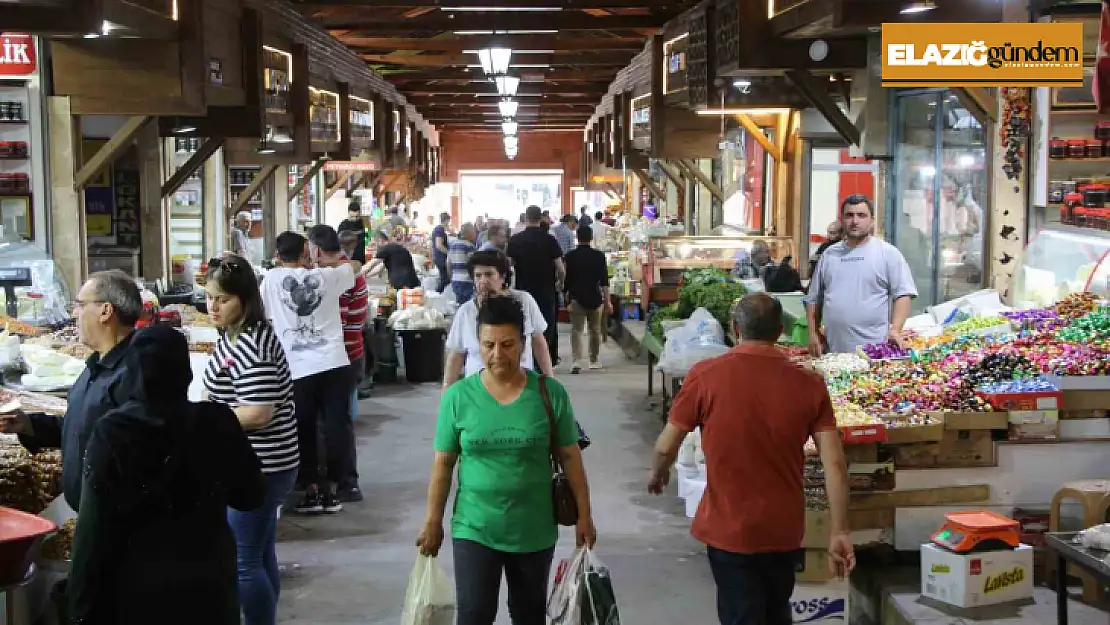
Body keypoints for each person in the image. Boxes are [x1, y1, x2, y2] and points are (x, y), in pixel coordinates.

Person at [649, 294, 854, 625]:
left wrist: (659, 474)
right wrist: (840, 530)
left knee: (740, 613)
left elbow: (665, 446)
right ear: (781, 331)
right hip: (784, 530)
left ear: (734, 329)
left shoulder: (706, 375)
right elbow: (834, 463)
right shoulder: (810, 383)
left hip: (729, 530)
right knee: (776, 611)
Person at [68, 324, 265, 625]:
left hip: (137, 592)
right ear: (184, 373)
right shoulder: (217, 421)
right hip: (208, 588)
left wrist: (80, 609)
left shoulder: (115, 432)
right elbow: (252, 496)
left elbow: (93, 531)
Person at [417, 295, 596, 625]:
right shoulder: (458, 397)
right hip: (474, 527)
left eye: (507, 344)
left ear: (524, 344)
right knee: (473, 615)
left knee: (528, 615)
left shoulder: (549, 394)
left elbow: (571, 459)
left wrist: (585, 516)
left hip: (533, 529)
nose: (497, 355)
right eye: (488, 345)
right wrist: (432, 521)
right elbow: (443, 464)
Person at [201, 254, 300, 625]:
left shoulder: (253, 346)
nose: (212, 306)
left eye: (221, 299)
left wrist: (206, 421)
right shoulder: (234, 336)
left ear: (245, 300)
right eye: (209, 297)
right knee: (260, 554)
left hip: (261, 466)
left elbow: (259, 411)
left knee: (243, 563)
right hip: (254, 464)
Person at [0, 270, 144, 511]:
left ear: (105, 311)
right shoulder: (95, 366)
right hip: (92, 512)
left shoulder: (134, 373)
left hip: (117, 519)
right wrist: (28, 425)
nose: (74, 313)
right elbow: (79, 428)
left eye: (80, 304)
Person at [260, 232, 356, 514]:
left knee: (303, 427)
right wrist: (321, 263)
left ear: (278, 256)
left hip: (297, 368)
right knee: (337, 426)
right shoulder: (327, 276)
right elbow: (354, 267)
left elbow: (263, 314)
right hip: (335, 363)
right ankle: (341, 485)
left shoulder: (270, 280)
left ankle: (311, 486)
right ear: (307, 252)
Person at [805, 194, 918, 356]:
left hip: (874, 352)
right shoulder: (829, 255)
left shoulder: (888, 254)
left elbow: (903, 294)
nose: (855, 221)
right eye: (849, 215)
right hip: (834, 351)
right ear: (841, 220)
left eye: (861, 215)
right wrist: (813, 333)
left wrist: (896, 329)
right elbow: (814, 298)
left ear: (872, 220)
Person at [308, 225, 367, 502]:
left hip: (336, 357)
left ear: (317, 250)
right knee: (340, 420)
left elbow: (338, 321)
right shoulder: (350, 271)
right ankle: (343, 481)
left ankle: (337, 482)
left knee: (328, 423)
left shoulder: (334, 277)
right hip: (352, 352)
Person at [444, 250, 554, 386]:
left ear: (502, 277)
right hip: (478, 392)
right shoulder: (466, 312)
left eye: (489, 274)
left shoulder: (524, 302)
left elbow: (539, 343)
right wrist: (446, 391)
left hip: (520, 385)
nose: (483, 281)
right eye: (478, 276)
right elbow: (456, 355)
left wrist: (550, 380)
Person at [507, 205, 566, 367]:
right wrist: (560, 282)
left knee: (524, 325)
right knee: (546, 327)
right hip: (546, 292)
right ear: (541, 219)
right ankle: (545, 362)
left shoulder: (515, 240)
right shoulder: (549, 240)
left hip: (522, 290)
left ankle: (525, 360)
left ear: (525, 218)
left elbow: (508, 267)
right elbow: (560, 268)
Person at [563, 226, 611, 373]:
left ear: (577, 237)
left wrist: (566, 297)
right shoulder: (599, 256)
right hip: (595, 298)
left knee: (576, 330)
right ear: (591, 238)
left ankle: (576, 360)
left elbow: (566, 279)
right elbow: (604, 281)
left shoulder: (570, 256)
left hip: (576, 298)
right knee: (595, 330)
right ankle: (594, 360)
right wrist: (607, 301)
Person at [449, 222, 478, 305]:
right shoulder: (470, 246)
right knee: (467, 304)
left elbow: (448, 263)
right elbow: (473, 264)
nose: (475, 234)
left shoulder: (453, 245)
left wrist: (452, 278)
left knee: (459, 303)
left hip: (455, 280)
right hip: (467, 281)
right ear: (469, 233)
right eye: (474, 232)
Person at [432, 212, 451, 292]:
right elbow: (439, 245)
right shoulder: (440, 230)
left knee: (444, 278)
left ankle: (438, 294)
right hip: (441, 258)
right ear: (447, 220)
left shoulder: (438, 229)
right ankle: (437, 294)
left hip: (438, 257)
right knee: (445, 279)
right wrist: (449, 253)